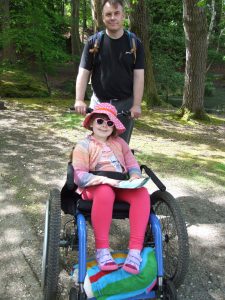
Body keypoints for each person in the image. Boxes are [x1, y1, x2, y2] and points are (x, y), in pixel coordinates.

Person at [72, 103, 150, 275]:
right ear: (91, 122)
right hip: (94, 185)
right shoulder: (83, 145)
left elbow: (132, 164)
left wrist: (135, 176)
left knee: (142, 193)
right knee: (105, 191)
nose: (104, 125)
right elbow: (80, 176)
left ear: (114, 126)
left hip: (119, 183)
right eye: (100, 121)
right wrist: (104, 180)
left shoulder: (120, 143)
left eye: (109, 123)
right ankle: (102, 249)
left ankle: (135, 251)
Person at [74, 0, 145, 143]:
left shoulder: (135, 43)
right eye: (108, 14)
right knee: (96, 148)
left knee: (120, 148)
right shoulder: (93, 42)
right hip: (99, 103)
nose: (113, 17)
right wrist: (79, 100)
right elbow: (83, 73)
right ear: (103, 17)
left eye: (116, 13)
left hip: (125, 105)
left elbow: (139, 76)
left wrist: (136, 104)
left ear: (123, 16)